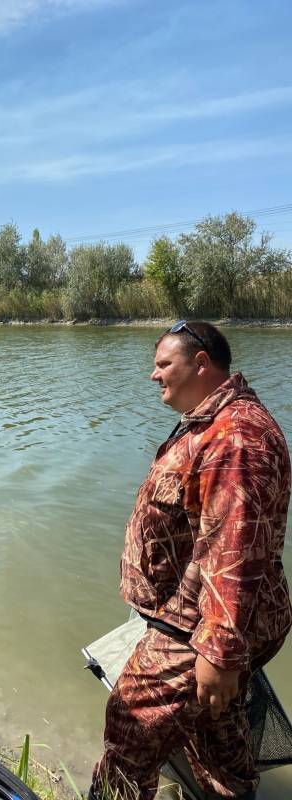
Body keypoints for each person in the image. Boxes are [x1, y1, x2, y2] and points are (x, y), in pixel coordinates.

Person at [89, 321, 291, 800]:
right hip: (203, 616)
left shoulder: (236, 437)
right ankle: (233, 791)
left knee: (130, 724)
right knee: (213, 725)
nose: (153, 376)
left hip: (201, 626)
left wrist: (217, 653)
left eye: (163, 364)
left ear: (200, 363)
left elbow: (235, 548)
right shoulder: (212, 423)